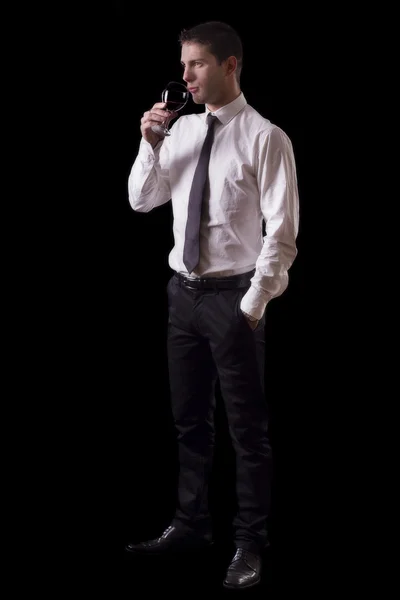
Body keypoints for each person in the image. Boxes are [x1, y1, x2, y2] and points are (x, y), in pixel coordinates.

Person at [125, 20, 299, 590]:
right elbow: (142, 202)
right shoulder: (179, 131)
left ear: (230, 65)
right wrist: (149, 145)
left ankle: (249, 543)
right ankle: (190, 525)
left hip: (234, 298)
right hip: (183, 296)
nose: (185, 75)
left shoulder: (266, 137)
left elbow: (282, 233)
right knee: (188, 423)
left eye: (197, 64)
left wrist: (252, 306)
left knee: (247, 432)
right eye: (183, 65)